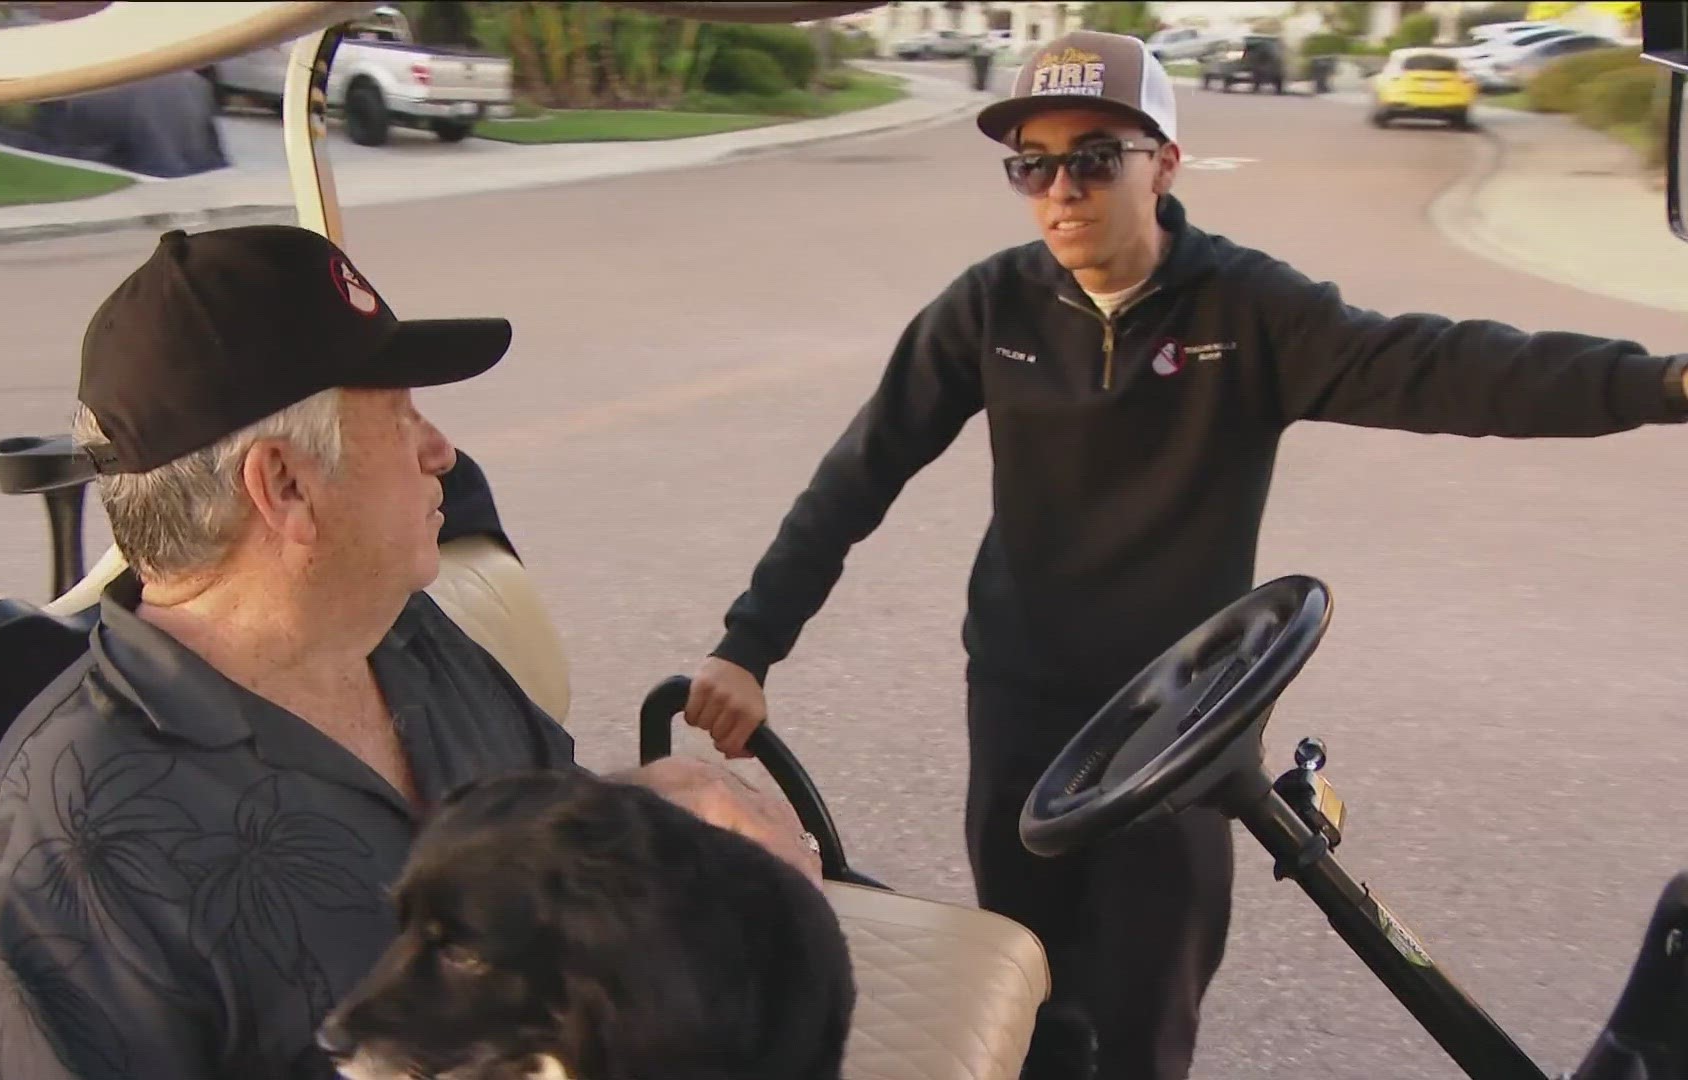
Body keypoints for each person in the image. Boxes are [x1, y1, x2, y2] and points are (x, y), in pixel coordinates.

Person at [680, 29, 1688, 1080]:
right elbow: (859, 473)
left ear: (1163, 161)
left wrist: (1663, 384)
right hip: (1022, 706)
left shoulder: (1249, 309)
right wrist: (750, 644)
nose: (1060, 190)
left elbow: (1450, 368)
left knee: (1148, 1024)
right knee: (1026, 991)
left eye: (1092, 159)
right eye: (1032, 164)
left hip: (1183, 726)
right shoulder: (993, 307)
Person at [0, 224, 819, 1080]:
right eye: (399, 417)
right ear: (284, 486)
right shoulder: (69, 855)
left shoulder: (402, 637)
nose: (442, 451)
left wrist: (655, 803)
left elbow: (539, 848)